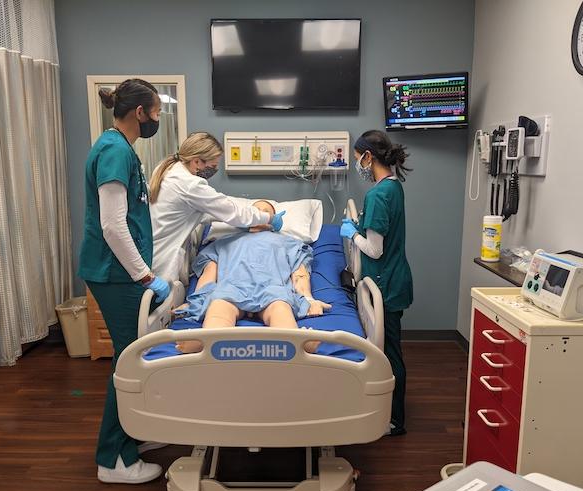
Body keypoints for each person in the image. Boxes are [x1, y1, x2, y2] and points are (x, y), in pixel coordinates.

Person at [79, 78, 170, 484]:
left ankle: (130, 436)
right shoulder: (114, 150)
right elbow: (113, 226)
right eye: (155, 111)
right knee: (128, 359)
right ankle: (112, 459)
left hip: (117, 272)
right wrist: (146, 276)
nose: (157, 117)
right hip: (114, 274)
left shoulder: (119, 147)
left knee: (130, 357)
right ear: (140, 113)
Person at [175, 201, 331, 353]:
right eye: (255, 210)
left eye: (266, 211)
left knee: (280, 309)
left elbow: (300, 274)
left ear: (275, 219)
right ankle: (207, 341)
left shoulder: (289, 243)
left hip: (273, 289)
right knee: (219, 308)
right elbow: (209, 275)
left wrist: (309, 300)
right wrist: (196, 301)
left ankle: (296, 343)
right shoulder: (222, 243)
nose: (260, 213)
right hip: (231, 288)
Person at [340, 130, 414, 436]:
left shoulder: (378, 195)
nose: (358, 163)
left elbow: (374, 249)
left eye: (358, 157)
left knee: (389, 354)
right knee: (390, 350)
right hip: (391, 277)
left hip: (385, 283)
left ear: (368, 157)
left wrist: (351, 233)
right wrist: (357, 225)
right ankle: (389, 412)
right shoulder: (392, 187)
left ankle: (394, 420)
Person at [148, 133, 285, 284]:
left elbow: (209, 210)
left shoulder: (170, 169)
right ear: (197, 161)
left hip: (153, 250)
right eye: (213, 166)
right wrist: (269, 218)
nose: (215, 169)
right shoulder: (190, 185)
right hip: (163, 260)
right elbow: (232, 212)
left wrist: (244, 223)